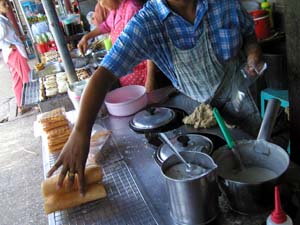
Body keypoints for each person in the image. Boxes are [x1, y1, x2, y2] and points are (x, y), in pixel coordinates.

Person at [48, 0, 264, 195]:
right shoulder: (148, 23)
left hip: (242, 102)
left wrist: (253, 54)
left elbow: (248, 34)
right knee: (220, 185)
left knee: (258, 169)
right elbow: (103, 74)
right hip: (201, 120)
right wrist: (80, 132)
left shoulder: (224, 4)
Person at [77, 0, 149, 87]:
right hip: (126, 71)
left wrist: (150, 79)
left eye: (102, 2)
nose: (102, 6)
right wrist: (86, 37)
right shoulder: (117, 9)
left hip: (139, 73)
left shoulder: (132, 8)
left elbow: (148, 45)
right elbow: (106, 25)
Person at [0, 0, 30, 115]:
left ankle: (21, 105)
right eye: (4, 4)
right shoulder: (1, 22)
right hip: (14, 52)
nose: (7, 6)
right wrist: (10, 45)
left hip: (10, 53)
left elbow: (9, 36)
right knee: (26, 77)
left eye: (8, 3)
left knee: (17, 79)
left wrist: (18, 39)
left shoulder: (3, 19)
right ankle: (33, 102)